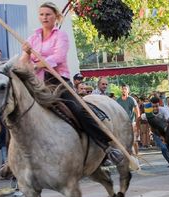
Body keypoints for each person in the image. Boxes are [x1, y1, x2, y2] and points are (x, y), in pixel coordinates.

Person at [19, 2, 123, 165]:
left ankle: (106, 147)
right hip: (37, 83)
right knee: (18, 110)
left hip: (58, 81)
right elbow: (23, 63)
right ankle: (16, 158)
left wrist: (37, 64)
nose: (44, 18)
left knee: (78, 109)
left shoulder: (61, 35)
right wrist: (26, 53)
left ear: (56, 17)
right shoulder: (33, 37)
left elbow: (58, 57)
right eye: (41, 14)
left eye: (48, 14)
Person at [116, 84, 140, 155]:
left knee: (134, 141)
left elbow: (137, 112)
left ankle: (137, 156)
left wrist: (136, 124)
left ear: (128, 90)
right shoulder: (118, 100)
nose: (124, 90)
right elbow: (117, 113)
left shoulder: (131, 99)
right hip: (122, 124)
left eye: (125, 89)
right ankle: (129, 156)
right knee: (125, 141)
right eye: (122, 89)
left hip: (131, 122)